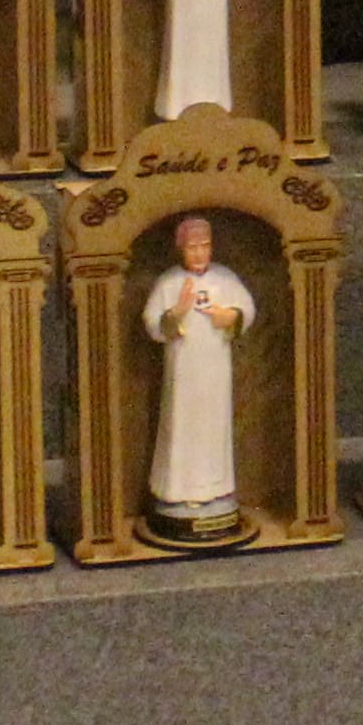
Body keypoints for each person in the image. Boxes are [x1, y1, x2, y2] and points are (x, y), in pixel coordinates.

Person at [141, 211, 255, 546]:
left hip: (216, 367)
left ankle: (216, 489)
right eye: (193, 247)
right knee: (183, 425)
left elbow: (246, 308)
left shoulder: (225, 278)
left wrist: (230, 316)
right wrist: (176, 313)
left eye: (205, 245)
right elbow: (152, 322)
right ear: (181, 250)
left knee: (213, 426)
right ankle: (180, 492)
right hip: (184, 370)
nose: (200, 253)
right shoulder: (169, 283)